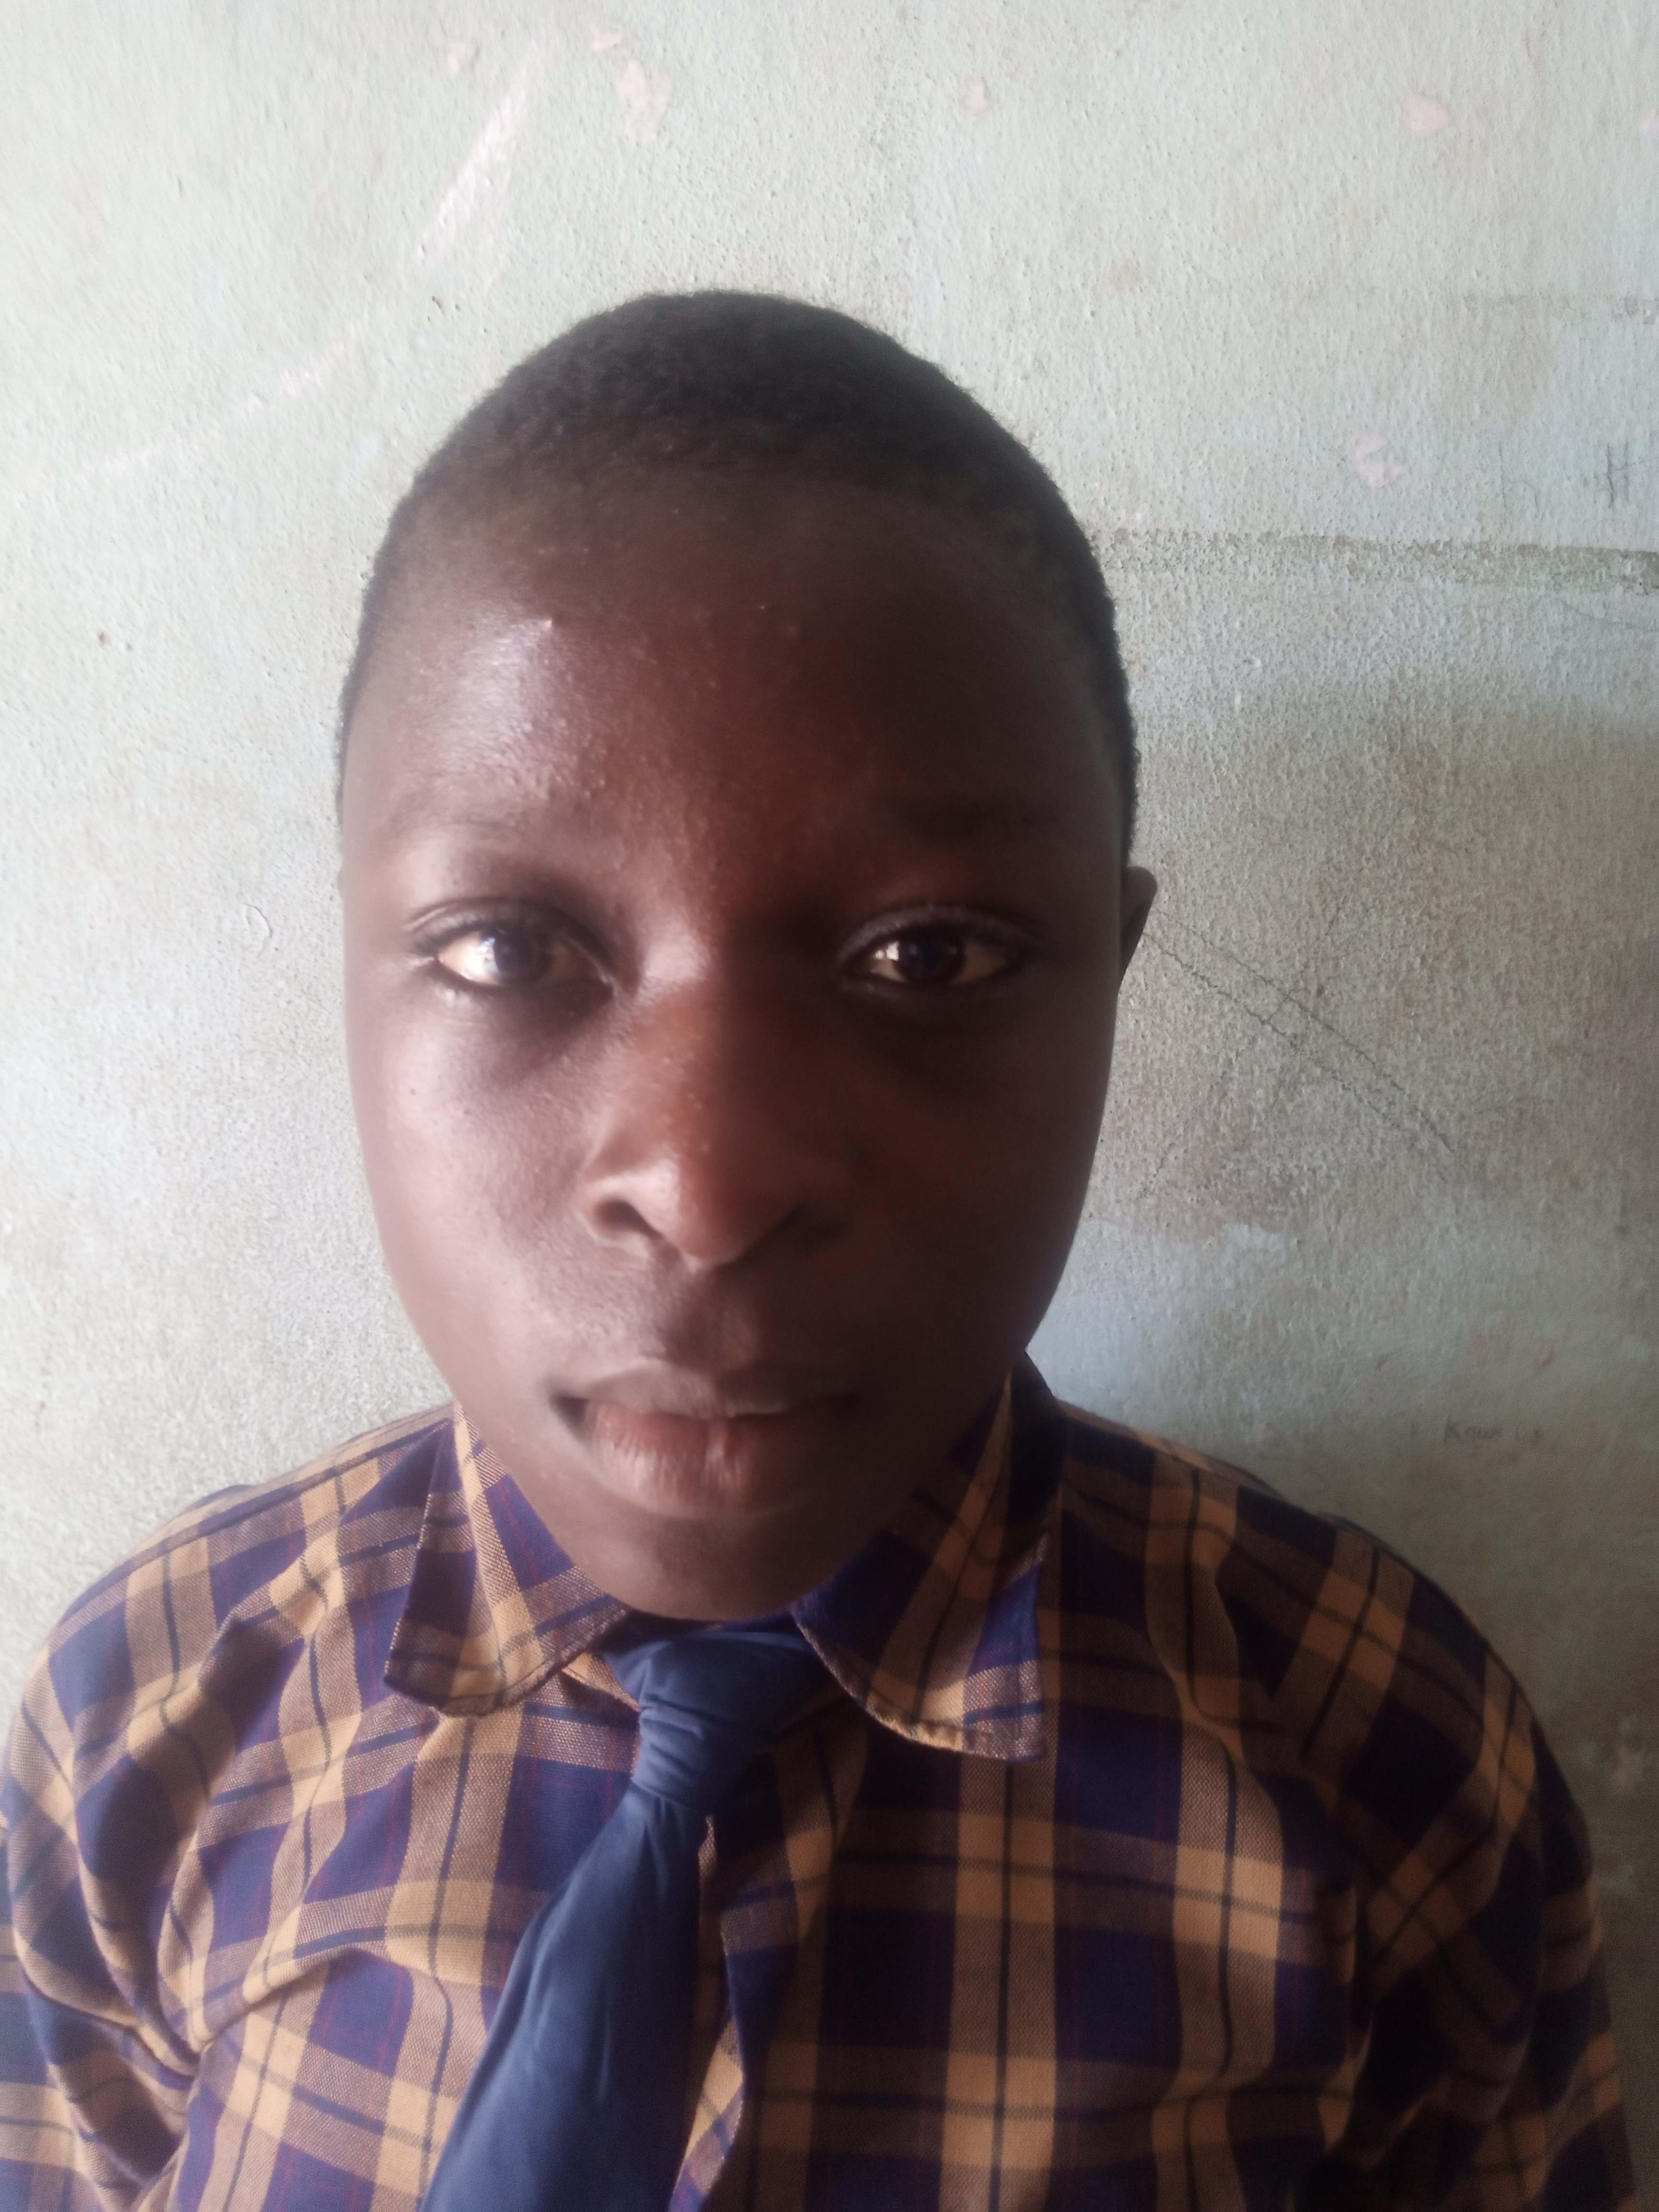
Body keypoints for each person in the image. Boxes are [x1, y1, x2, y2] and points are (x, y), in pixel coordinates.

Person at [0, 293, 1635, 2212]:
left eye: (928, 957)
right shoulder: (157, 1713)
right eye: (509, 949)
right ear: (353, 966)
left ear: (1108, 975)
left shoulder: (1377, 1753)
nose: (704, 1187)